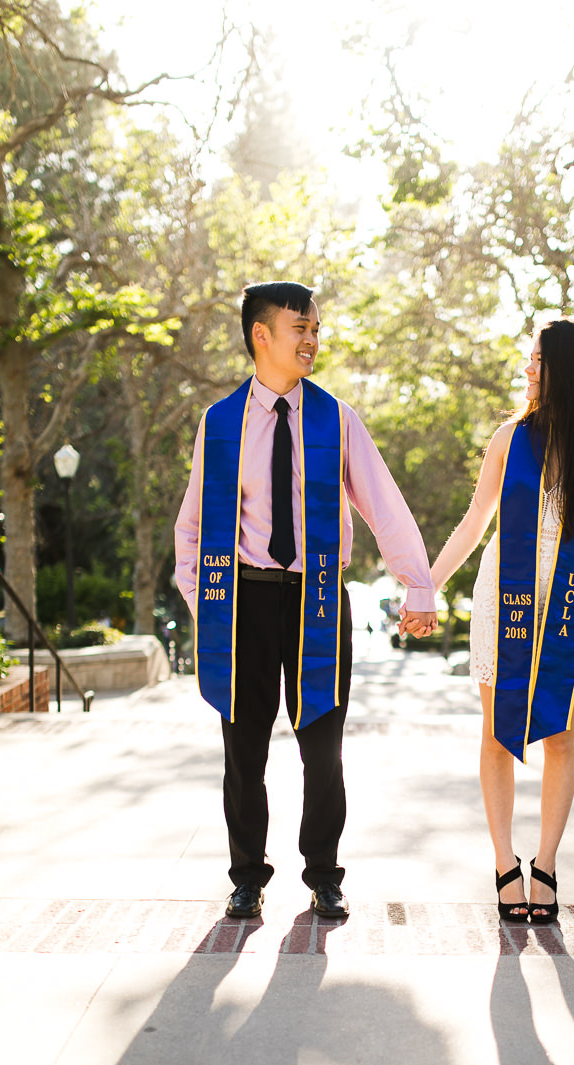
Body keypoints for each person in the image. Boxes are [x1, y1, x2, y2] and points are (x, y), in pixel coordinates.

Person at [174, 281, 437, 920]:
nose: (313, 338)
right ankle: (247, 876)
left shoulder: (336, 419)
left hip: (318, 599)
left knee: (323, 746)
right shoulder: (220, 422)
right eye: (300, 328)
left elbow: (383, 503)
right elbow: (191, 526)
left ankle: (323, 872)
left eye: (316, 327)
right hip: (243, 602)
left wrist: (418, 583)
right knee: (244, 749)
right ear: (261, 335)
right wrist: (203, 601)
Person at [429, 319, 574, 923]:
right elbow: (474, 523)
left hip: (573, 608)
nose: (527, 369)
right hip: (506, 600)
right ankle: (503, 863)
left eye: (538, 360)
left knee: (561, 735)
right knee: (498, 732)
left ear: (566, 370)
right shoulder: (510, 438)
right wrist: (426, 585)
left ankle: (545, 863)